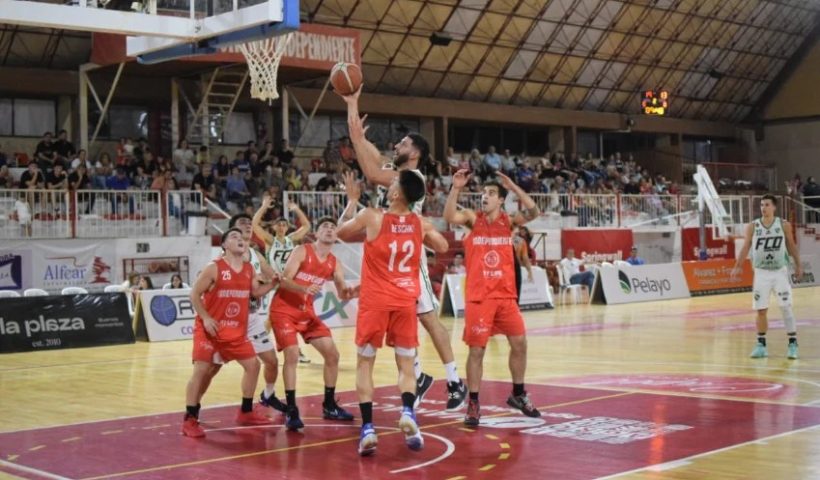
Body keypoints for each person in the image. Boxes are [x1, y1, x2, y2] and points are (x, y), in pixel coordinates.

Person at [341, 88, 467, 411]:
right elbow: (371, 157)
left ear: (415, 153)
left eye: (403, 143)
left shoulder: (411, 177)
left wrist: (356, 129)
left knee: (428, 318)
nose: (397, 145)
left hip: (409, 260)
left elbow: (371, 171)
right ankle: (420, 376)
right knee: (405, 319)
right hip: (394, 256)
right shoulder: (399, 172)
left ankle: (455, 380)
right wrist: (354, 115)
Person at [337, 169, 447, 456]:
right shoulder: (419, 223)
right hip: (404, 301)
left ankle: (368, 429)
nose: (388, 185)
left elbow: (340, 232)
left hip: (375, 302)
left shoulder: (372, 216)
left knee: (365, 363)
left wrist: (352, 201)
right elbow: (443, 246)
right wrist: (423, 232)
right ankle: (408, 412)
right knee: (406, 364)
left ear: (397, 194)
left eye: (393, 183)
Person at [443, 169, 542, 427]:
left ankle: (518, 394)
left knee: (520, 344)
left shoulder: (508, 222)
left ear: (500, 200)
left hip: (506, 296)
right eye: (483, 193)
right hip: (480, 298)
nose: (484, 197)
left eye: (490, 193)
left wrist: (514, 187)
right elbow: (449, 216)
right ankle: (474, 402)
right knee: (477, 351)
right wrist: (456, 188)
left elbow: (534, 212)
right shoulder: (471, 219)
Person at [182, 228, 279, 438]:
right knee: (202, 370)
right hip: (210, 329)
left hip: (235, 331)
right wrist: (206, 318)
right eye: (234, 237)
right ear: (224, 245)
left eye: (241, 237)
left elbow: (255, 293)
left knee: (253, 366)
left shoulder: (248, 269)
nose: (240, 239)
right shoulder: (214, 267)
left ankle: (246, 411)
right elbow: (194, 294)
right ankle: (190, 418)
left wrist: (272, 284)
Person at [269, 217, 357, 430]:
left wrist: (355, 291)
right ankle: (291, 409)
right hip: (283, 310)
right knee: (292, 355)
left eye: (333, 227)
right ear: (316, 233)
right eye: (325, 226)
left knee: (332, 355)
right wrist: (304, 288)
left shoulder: (334, 262)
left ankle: (329, 405)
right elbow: (284, 280)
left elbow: (342, 292)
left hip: (306, 313)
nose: (330, 229)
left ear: (336, 236)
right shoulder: (302, 251)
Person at [732, 195, 802, 360]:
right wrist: (737, 266)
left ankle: (793, 344)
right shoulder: (753, 226)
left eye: (767, 205)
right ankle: (761, 345)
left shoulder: (783, 225)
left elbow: (791, 246)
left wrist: (798, 265)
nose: (763, 208)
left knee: (786, 307)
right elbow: (746, 247)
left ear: (774, 207)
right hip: (761, 273)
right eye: (762, 205)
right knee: (761, 310)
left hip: (779, 272)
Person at [251, 195, 313, 364]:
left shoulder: (291, 239)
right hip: (276, 284)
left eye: (284, 224)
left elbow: (307, 226)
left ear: (287, 227)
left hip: (290, 284)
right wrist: (264, 206)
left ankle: (293, 351)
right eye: (279, 224)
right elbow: (255, 225)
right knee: (273, 319)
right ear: (274, 226)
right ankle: (259, 346)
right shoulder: (270, 241)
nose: (281, 226)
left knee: (286, 318)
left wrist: (297, 209)